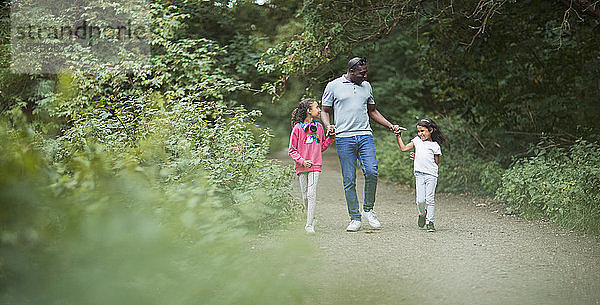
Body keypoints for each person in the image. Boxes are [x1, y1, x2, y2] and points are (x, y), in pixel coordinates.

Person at [321, 57, 402, 232]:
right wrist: (328, 126)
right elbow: (324, 110)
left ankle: (368, 210)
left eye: (366, 71)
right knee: (349, 179)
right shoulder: (333, 86)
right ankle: (354, 218)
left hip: (365, 136)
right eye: (361, 72)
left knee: (372, 172)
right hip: (344, 138)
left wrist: (390, 125)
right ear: (351, 72)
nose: (365, 75)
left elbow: (372, 110)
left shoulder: (367, 86)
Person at [288, 98, 335, 234]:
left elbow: (321, 147)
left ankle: (308, 225)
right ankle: (311, 218)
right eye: (316, 107)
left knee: (311, 194)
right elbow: (292, 150)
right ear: (309, 111)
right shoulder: (297, 129)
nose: (319, 110)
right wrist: (302, 161)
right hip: (301, 167)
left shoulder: (319, 127)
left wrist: (331, 138)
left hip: (315, 165)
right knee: (305, 196)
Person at [396, 118, 446, 232]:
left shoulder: (435, 146)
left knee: (430, 199)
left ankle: (430, 222)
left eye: (423, 131)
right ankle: (422, 213)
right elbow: (404, 148)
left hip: (431, 175)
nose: (420, 134)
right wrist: (398, 136)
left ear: (430, 130)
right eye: (418, 131)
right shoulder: (417, 141)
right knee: (420, 200)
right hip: (419, 174)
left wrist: (421, 157)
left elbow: (435, 162)